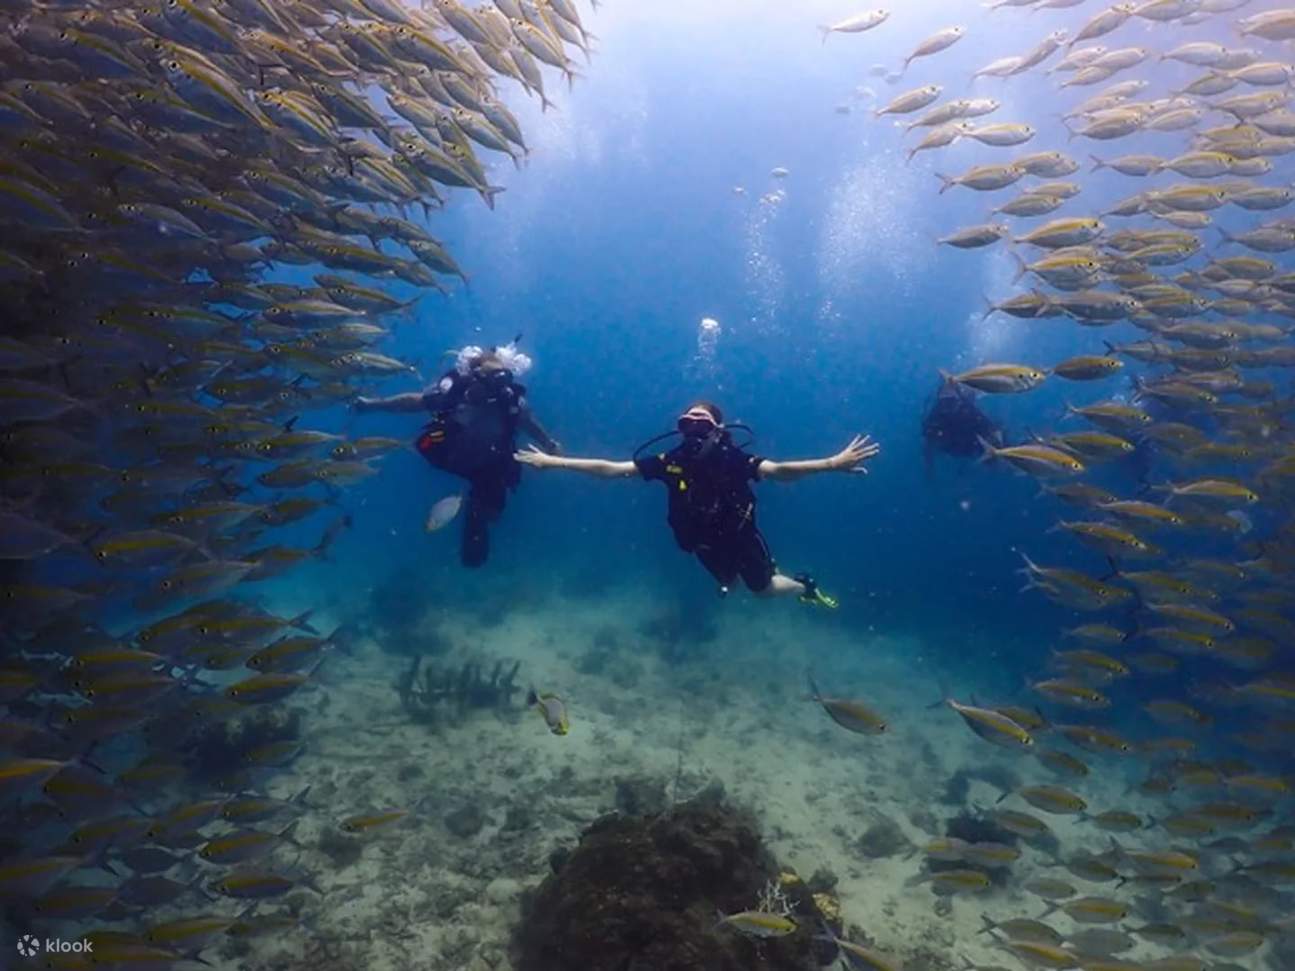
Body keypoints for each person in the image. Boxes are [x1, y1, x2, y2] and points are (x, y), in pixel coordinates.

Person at [516, 402, 879, 605]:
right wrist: (553, 462)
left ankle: (805, 587)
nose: (691, 428)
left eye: (700, 422)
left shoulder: (732, 458)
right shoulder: (670, 461)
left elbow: (781, 471)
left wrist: (832, 464)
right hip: (699, 542)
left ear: (718, 428)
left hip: (739, 537)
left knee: (763, 591)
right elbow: (610, 470)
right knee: (728, 582)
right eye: (685, 422)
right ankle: (748, 574)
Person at [354, 340, 559, 567]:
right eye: (488, 379)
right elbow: (413, 402)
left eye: (500, 378)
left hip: (490, 463)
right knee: (433, 443)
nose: (494, 386)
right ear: (473, 375)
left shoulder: (509, 399)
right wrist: (374, 405)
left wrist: (548, 443)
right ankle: (472, 509)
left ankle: (476, 515)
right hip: (453, 453)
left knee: (492, 512)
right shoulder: (456, 391)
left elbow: (527, 421)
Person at [921, 375, 1002, 476]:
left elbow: (990, 429)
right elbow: (928, 441)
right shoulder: (939, 413)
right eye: (946, 399)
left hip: (968, 445)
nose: (948, 404)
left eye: (951, 399)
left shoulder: (966, 409)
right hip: (964, 446)